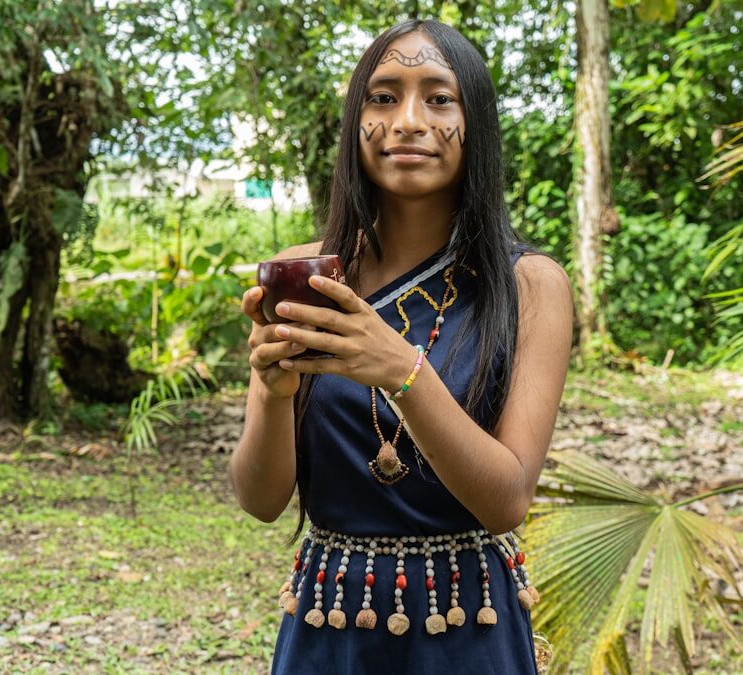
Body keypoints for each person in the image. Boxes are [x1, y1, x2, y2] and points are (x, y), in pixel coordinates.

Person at [229, 18, 572, 674]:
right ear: (356, 122)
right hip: (330, 628)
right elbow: (260, 498)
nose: (408, 120)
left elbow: (506, 499)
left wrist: (401, 369)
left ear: (475, 123)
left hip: (469, 626)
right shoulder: (307, 275)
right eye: (382, 96)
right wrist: (273, 394)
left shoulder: (531, 285)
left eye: (439, 98)